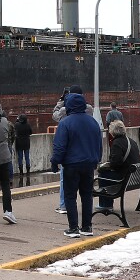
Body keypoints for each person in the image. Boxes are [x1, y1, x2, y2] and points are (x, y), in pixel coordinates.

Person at [52, 91, 102, 238]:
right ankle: (87, 227)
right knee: (87, 195)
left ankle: (73, 228)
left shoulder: (65, 123)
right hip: (89, 165)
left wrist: (55, 162)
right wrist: (96, 160)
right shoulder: (93, 122)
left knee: (70, 196)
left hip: (71, 165)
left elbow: (59, 146)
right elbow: (99, 144)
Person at [97, 119, 139, 214]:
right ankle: (106, 204)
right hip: (135, 177)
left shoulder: (117, 143)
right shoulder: (131, 141)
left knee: (103, 175)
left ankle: (105, 204)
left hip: (125, 177)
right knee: (106, 174)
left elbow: (116, 163)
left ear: (113, 132)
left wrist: (104, 167)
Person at [13, 114, 33, 179]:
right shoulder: (28, 125)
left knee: (20, 157)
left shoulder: (17, 125)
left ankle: (21, 172)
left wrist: (17, 120)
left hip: (19, 143)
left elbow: (14, 129)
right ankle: (28, 171)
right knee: (27, 157)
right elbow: (31, 132)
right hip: (26, 142)